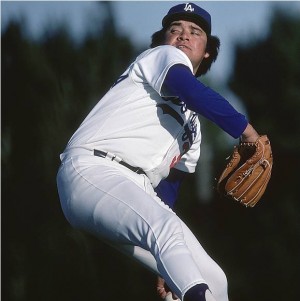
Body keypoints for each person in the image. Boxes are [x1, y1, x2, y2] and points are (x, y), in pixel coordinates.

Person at [56, 3, 260, 301]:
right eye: (174, 29)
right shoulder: (161, 58)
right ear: (163, 40)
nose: (183, 35)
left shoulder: (193, 126)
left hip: (133, 190)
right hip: (92, 169)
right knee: (164, 228)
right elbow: (189, 89)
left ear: (207, 52)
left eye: (195, 31)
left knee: (214, 279)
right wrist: (248, 132)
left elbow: (169, 188)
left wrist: (168, 262)